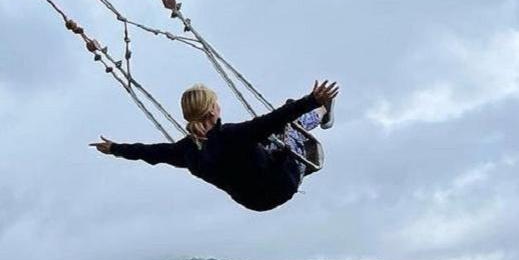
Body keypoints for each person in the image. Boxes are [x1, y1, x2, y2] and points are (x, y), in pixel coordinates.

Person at [91, 81, 339, 211]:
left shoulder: (187, 151)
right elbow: (275, 119)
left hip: (253, 202)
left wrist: (114, 148)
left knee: (262, 140)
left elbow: (148, 153)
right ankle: (323, 111)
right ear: (212, 109)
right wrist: (311, 100)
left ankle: (317, 111)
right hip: (282, 183)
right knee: (287, 124)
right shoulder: (234, 135)